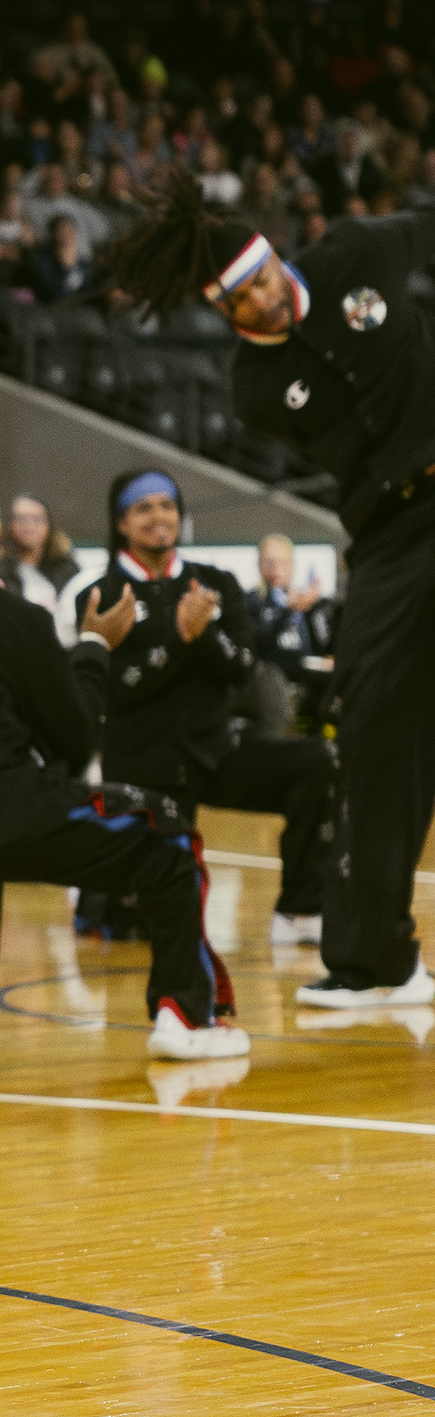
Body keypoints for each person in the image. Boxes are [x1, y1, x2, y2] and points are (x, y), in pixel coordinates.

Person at [108, 167, 435, 1007]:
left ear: (276, 255)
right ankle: (377, 961)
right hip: (390, 537)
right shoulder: (256, 391)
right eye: (241, 299)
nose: (263, 300)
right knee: (371, 727)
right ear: (221, 311)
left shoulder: (359, 251)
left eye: (263, 277)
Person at [0, 457, 246, 1086]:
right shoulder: (12, 617)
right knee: (167, 834)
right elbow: (73, 739)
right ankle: (187, 1017)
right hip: (4, 813)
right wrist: (94, 647)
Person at [71, 470, 340, 947]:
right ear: (121, 523)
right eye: (144, 508)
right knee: (140, 923)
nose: (159, 516)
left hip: (215, 751)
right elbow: (119, 689)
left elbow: (243, 668)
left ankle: (300, 910)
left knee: (317, 761)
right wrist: (180, 641)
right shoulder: (99, 596)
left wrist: (206, 635)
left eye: (168, 505)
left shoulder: (215, 583)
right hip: (145, 766)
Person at [245, 531, 338, 725]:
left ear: (292, 565)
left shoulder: (308, 602)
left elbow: (325, 645)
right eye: (270, 562)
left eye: (283, 562)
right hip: (271, 678)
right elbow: (259, 644)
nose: (276, 569)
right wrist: (288, 612)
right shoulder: (252, 601)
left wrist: (314, 612)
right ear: (259, 564)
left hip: (309, 677)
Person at [0, 494, 81, 626]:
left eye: (37, 519)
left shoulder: (67, 568)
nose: (29, 525)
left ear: (49, 525)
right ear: (9, 525)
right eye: (21, 519)